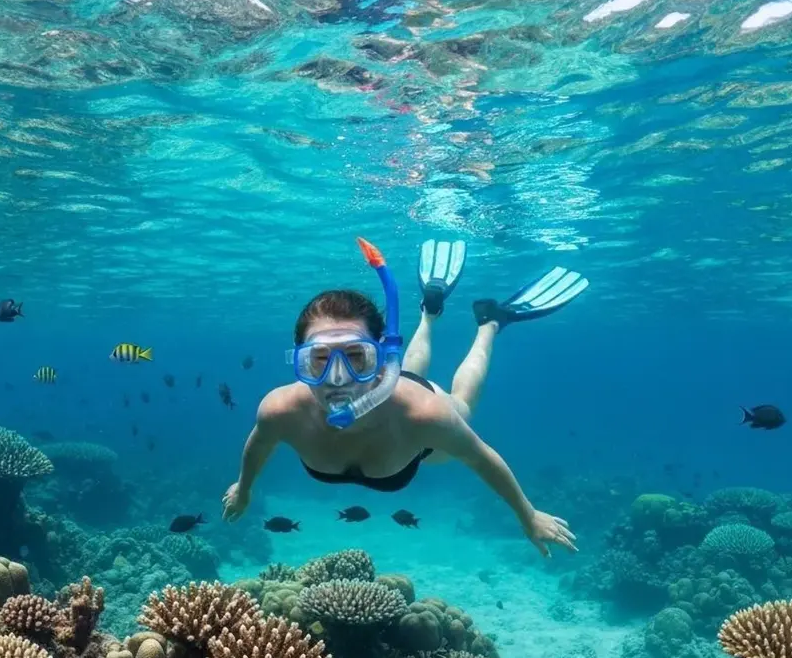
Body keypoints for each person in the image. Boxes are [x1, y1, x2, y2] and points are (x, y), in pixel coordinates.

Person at [222, 238, 588, 557]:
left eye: (356, 357)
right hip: (398, 389)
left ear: (382, 358)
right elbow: (259, 443)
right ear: (297, 360)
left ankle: (490, 324)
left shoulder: (425, 416)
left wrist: (528, 515)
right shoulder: (280, 411)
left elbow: (481, 457)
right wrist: (244, 488)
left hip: (414, 412)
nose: (337, 379)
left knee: (461, 404)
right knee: (412, 371)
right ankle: (429, 315)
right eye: (318, 360)